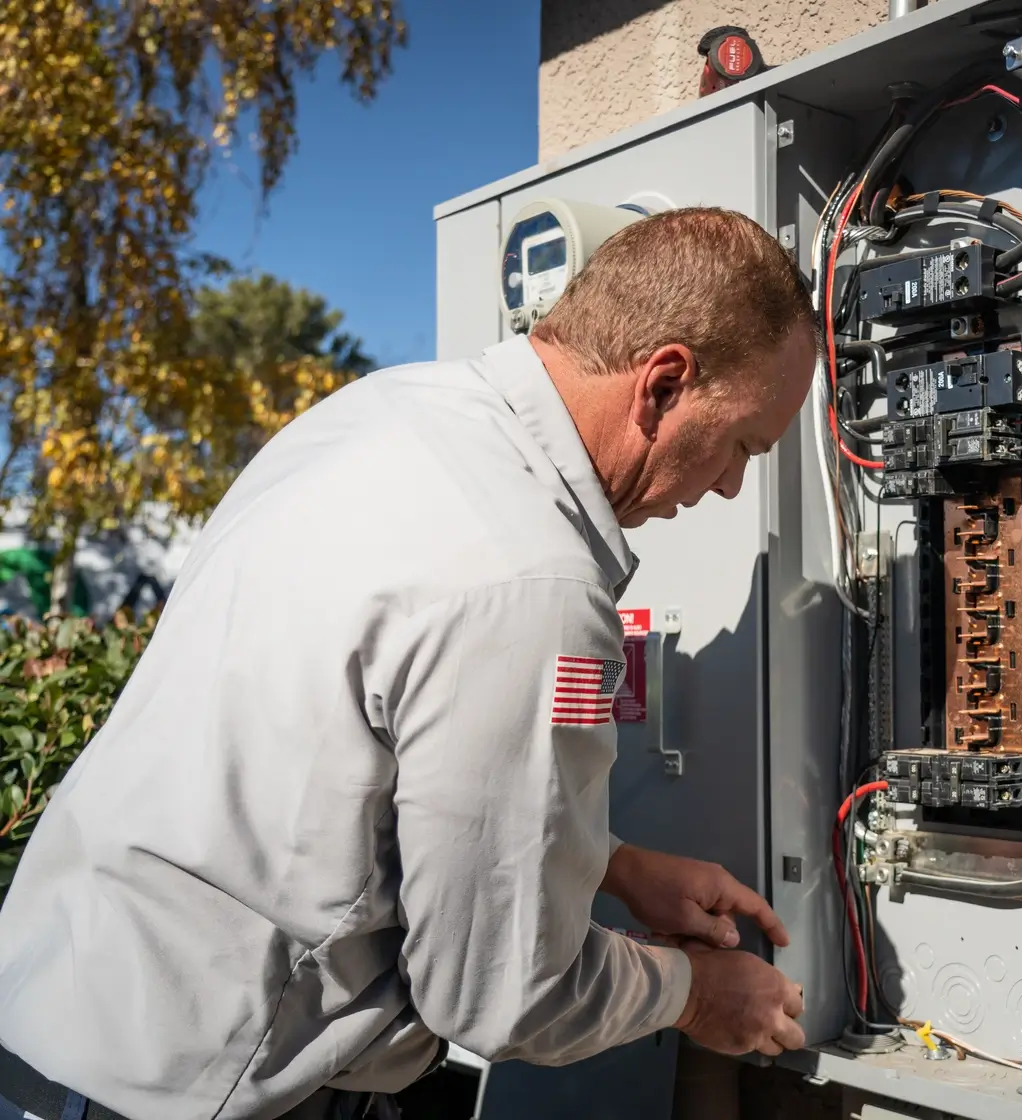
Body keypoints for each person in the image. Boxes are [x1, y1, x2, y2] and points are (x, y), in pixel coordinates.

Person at [0, 208, 819, 1120]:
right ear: (663, 383)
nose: (733, 487)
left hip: (51, 1005)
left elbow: (337, 762)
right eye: (744, 444)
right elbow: (504, 993)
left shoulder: (381, 413)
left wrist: (609, 864)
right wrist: (699, 994)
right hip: (188, 1086)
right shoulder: (539, 582)